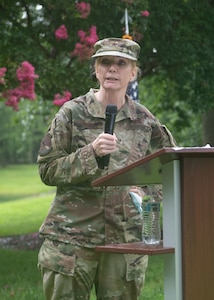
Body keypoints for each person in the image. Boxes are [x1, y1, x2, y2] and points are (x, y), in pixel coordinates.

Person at [37, 37, 176, 300]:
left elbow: (171, 169)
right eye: (105, 62)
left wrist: (148, 195)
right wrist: (90, 154)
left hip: (124, 241)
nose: (113, 69)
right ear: (96, 69)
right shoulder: (71, 114)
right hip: (71, 241)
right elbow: (47, 169)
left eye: (121, 63)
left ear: (133, 72)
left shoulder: (145, 121)